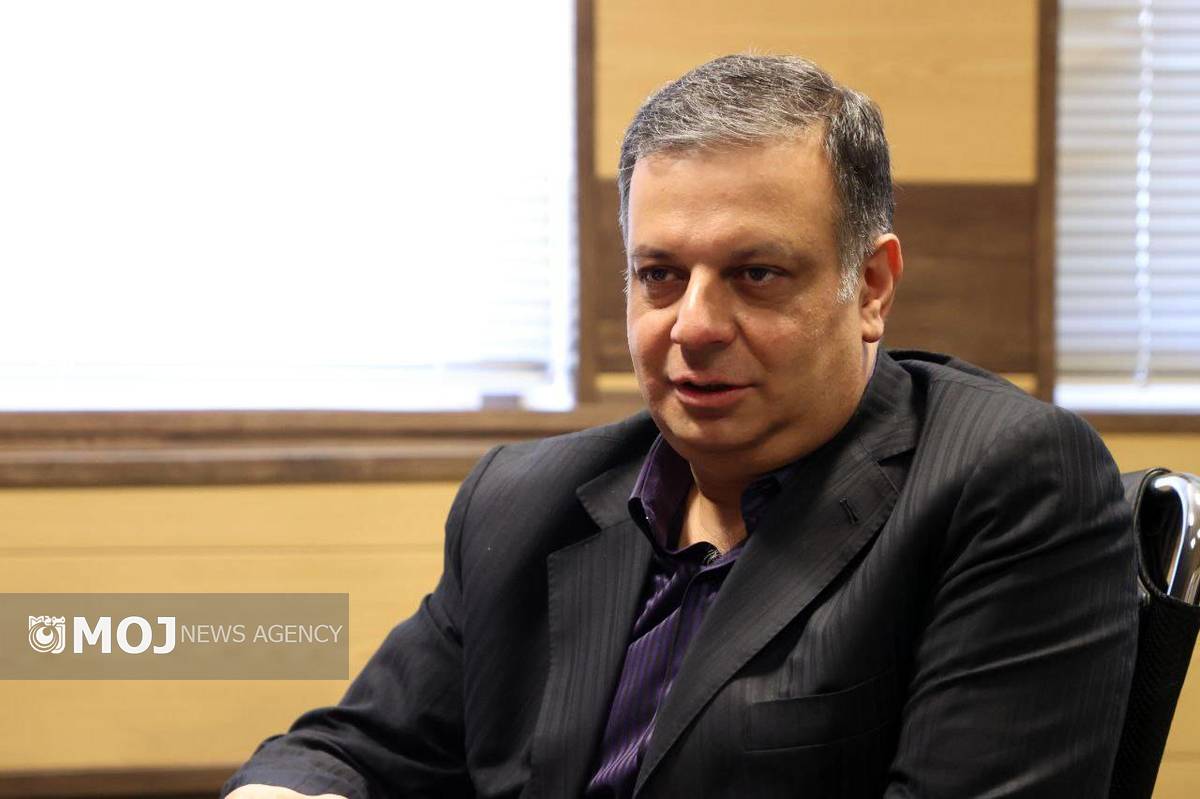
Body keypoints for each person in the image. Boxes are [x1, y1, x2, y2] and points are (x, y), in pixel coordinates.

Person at [224, 54, 1138, 798]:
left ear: (870, 287)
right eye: (659, 274)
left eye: (756, 274)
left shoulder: (1006, 482)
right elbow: (348, 751)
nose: (692, 325)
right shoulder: (521, 502)